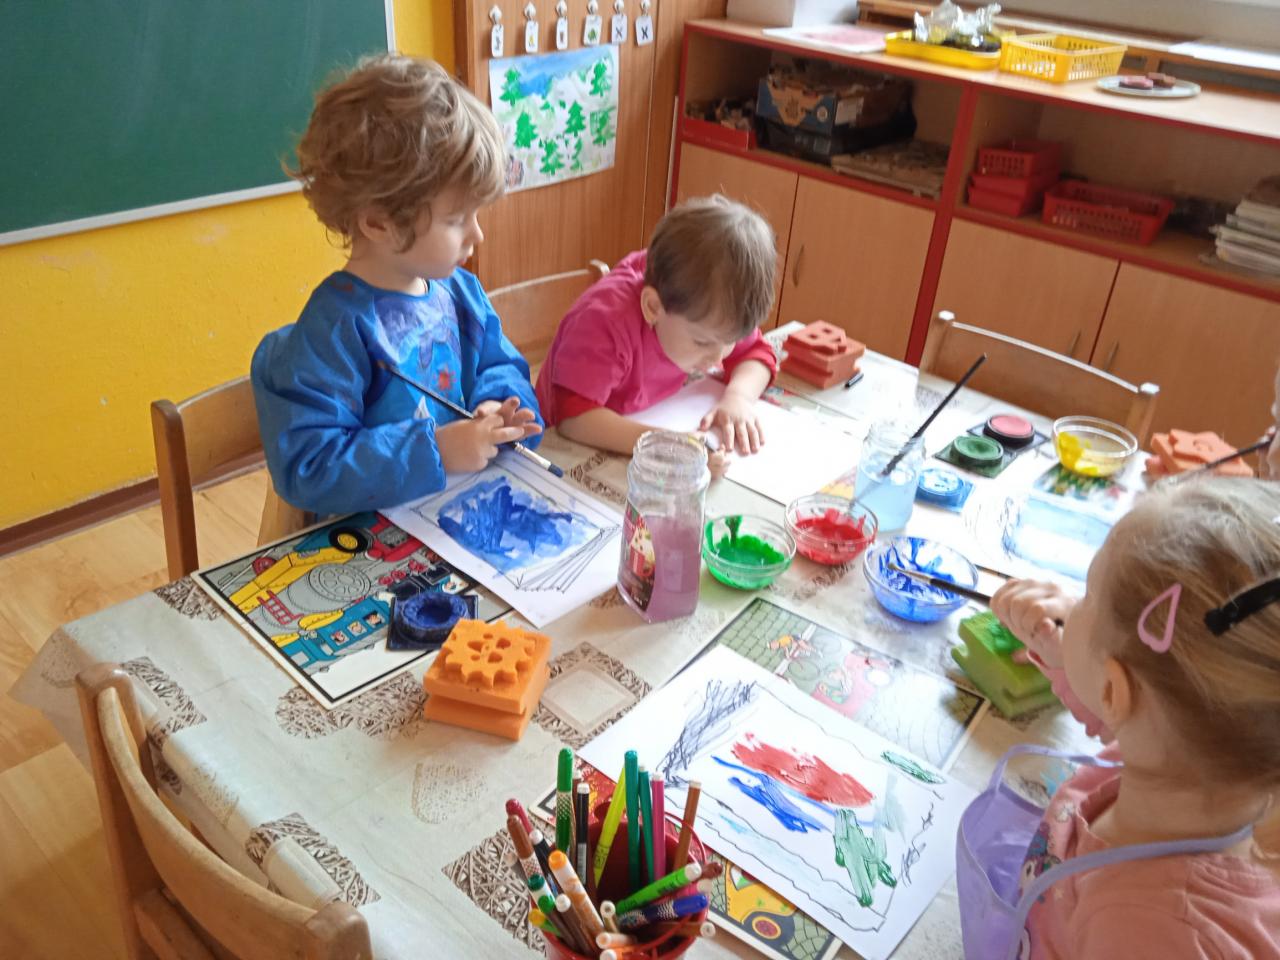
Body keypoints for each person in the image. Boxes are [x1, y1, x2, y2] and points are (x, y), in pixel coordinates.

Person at [978, 478, 1280, 958]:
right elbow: (1123, 718)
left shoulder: (1151, 935)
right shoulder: (1190, 755)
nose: (1071, 602)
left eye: (1087, 595)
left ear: (1114, 690)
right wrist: (1066, 656)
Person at [252, 55, 541, 516]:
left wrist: (497, 404)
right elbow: (311, 466)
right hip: (368, 538)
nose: (477, 235)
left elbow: (501, 364)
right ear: (378, 223)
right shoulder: (335, 330)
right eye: (456, 219)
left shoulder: (461, 294)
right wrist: (438, 450)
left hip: (456, 512)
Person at [535, 195, 778, 476]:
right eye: (701, 342)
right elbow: (573, 418)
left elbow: (757, 353)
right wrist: (665, 444)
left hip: (641, 427)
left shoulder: (708, 311)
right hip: (559, 453)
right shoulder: (606, 322)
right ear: (653, 308)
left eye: (729, 342)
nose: (716, 359)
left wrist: (738, 397)